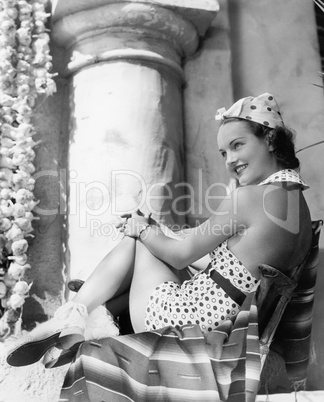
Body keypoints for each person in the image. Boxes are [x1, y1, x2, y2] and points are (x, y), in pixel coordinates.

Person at [6, 92, 312, 368]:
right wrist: (155, 231)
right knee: (151, 239)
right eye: (223, 153)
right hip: (221, 319)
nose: (230, 161)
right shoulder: (296, 205)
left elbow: (179, 256)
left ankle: (75, 317)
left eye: (237, 146)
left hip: (185, 327)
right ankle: (86, 316)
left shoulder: (250, 198)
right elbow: (233, 272)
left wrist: (142, 229)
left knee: (139, 242)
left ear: (270, 140)